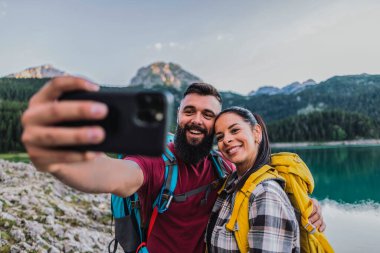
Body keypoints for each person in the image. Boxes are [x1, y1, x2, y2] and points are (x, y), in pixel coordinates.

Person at [21, 77, 325, 253]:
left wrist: (300, 203)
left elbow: (259, 184)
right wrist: (64, 160)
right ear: (177, 116)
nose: (197, 120)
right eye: (189, 111)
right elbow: (114, 176)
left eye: (208, 116)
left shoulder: (224, 167)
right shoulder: (156, 161)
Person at [206, 106, 300, 252]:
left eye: (235, 130)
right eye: (220, 137)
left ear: (256, 133)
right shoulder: (232, 184)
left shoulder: (266, 194)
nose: (227, 139)